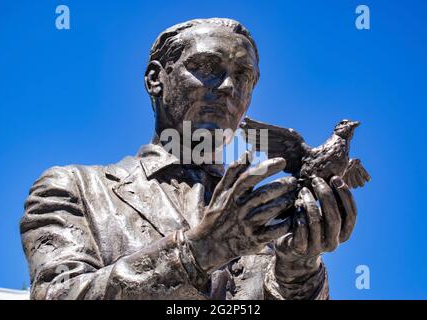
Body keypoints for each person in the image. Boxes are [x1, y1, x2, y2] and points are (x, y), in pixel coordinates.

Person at [21, 18, 357, 300]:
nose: (228, 87)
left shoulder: (264, 219)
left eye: (243, 76)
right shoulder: (75, 188)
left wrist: (299, 271)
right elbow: (59, 294)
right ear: (157, 79)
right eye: (208, 68)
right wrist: (199, 250)